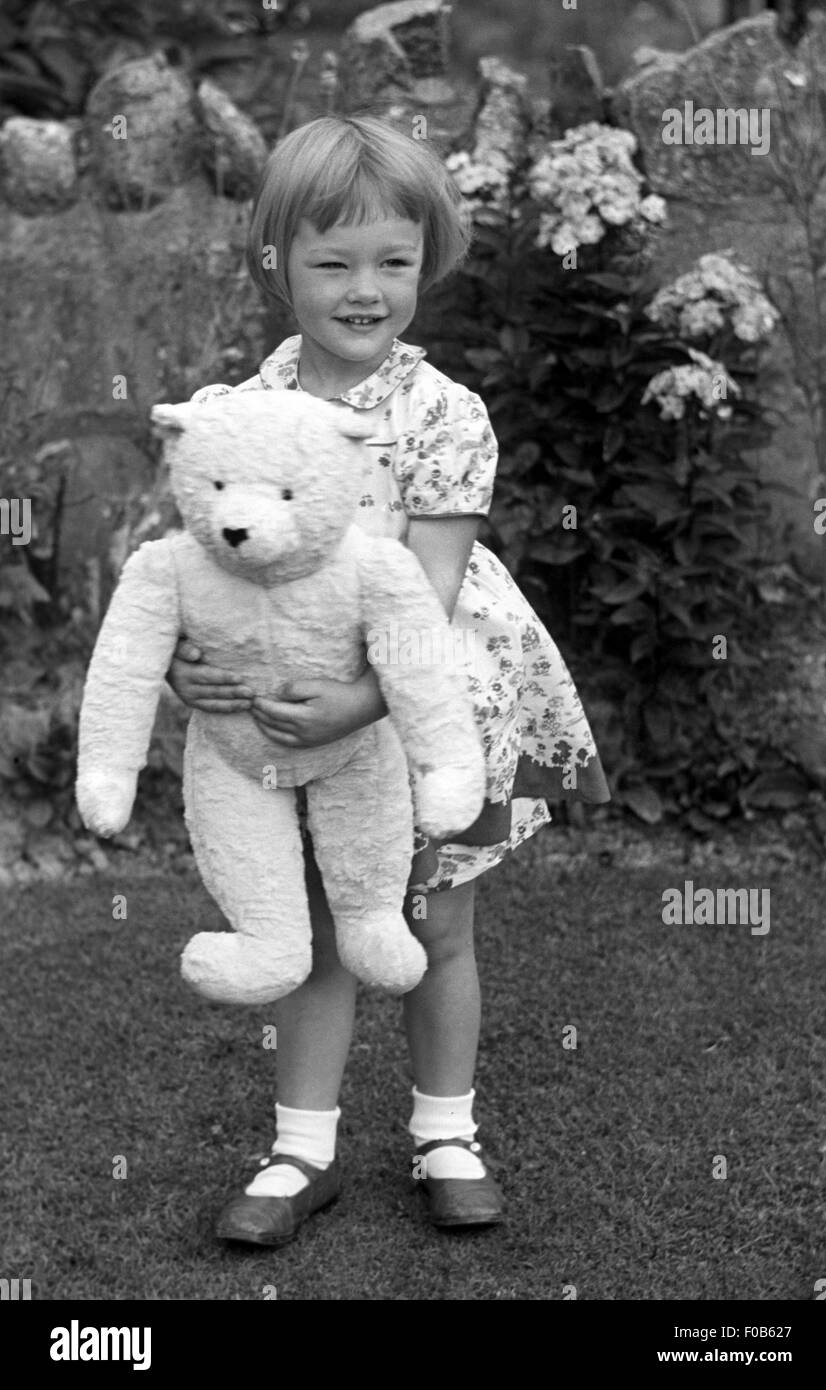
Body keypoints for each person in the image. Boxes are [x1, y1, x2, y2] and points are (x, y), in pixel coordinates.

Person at [165, 114, 610, 1244]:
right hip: (295, 710)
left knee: (434, 922)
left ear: (427, 261)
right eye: (332, 262)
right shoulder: (239, 411)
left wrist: (362, 704)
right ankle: (299, 1150)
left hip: (427, 701)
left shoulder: (446, 415)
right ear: (276, 262)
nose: (364, 289)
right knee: (318, 925)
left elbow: (432, 590)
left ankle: (444, 1132)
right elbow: (209, 566)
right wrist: (193, 668)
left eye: (392, 263)